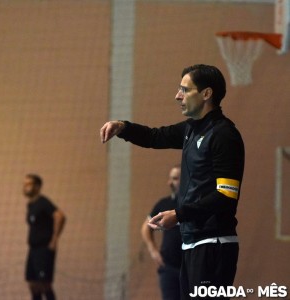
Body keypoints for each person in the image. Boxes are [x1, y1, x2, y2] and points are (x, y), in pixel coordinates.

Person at [100, 64, 245, 299]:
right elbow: (154, 136)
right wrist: (123, 127)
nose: (177, 96)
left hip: (213, 244)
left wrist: (178, 214)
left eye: (184, 90)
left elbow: (226, 197)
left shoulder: (223, 135)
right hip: (192, 242)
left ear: (206, 94)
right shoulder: (191, 129)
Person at [141, 165, 182, 300]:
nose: (169, 183)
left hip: (191, 267)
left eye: (175, 179)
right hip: (168, 267)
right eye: (170, 178)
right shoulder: (163, 204)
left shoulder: (195, 204)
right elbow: (146, 227)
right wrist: (153, 251)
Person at [23, 174, 66, 300]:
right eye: (24, 184)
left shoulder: (43, 202)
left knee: (44, 284)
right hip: (33, 249)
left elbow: (60, 216)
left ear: (37, 186)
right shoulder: (31, 205)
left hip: (43, 249)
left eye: (28, 184)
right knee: (32, 283)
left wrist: (54, 239)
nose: (25, 187)